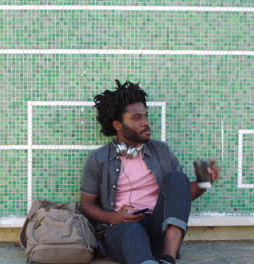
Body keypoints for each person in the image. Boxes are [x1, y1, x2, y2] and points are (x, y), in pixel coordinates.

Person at [80, 80, 220, 264]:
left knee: (178, 179)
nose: (145, 122)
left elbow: (180, 196)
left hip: (157, 230)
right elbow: (86, 205)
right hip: (122, 232)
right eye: (137, 118)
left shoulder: (161, 151)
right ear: (118, 125)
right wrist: (115, 217)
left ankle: (168, 258)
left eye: (145, 116)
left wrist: (204, 182)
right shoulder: (98, 158)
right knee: (131, 230)